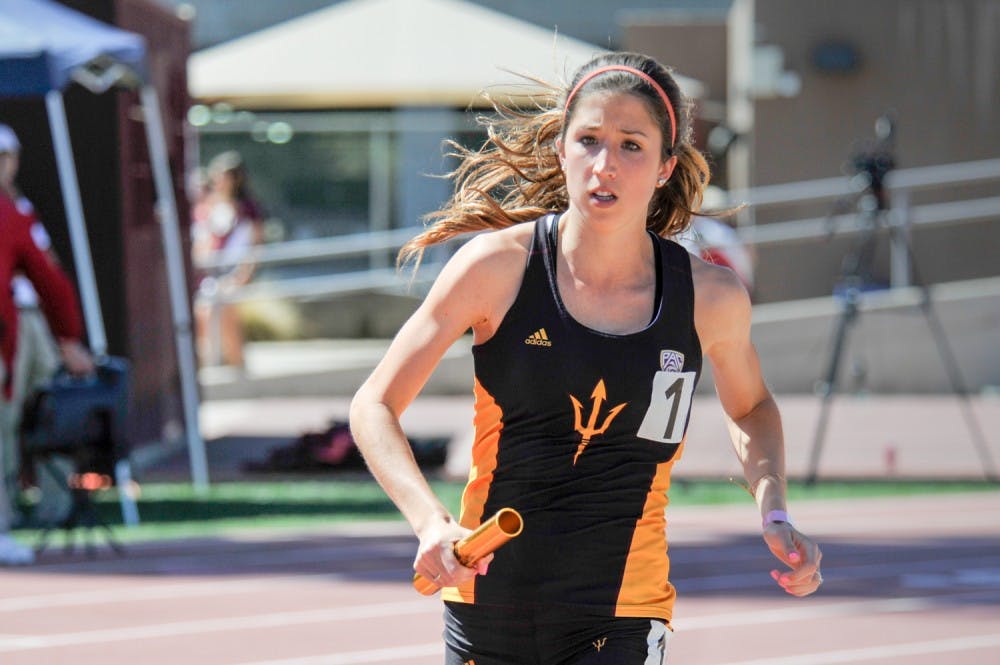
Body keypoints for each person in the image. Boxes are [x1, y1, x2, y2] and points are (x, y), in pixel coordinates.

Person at [349, 52, 822, 664]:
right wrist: (430, 522)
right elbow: (374, 404)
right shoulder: (496, 269)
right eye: (589, 140)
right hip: (487, 599)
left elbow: (752, 406)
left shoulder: (709, 297)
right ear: (561, 150)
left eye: (631, 145)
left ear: (664, 166)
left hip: (622, 611)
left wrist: (774, 508)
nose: (605, 165)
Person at [0, 123, 94, 565]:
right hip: (11, 324)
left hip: (24, 322)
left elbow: (47, 273)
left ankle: (53, 508)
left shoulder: (17, 209)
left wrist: (66, 335)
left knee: (44, 408)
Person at [191, 150, 263, 368]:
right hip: (210, 274)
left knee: (225, 314)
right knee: (203, 314)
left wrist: (242, 276)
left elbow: (255, 247)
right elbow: (204, 241)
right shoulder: (208, 207)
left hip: (234, 275)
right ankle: (209, 364)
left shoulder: (248, 210)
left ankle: (237, 365)